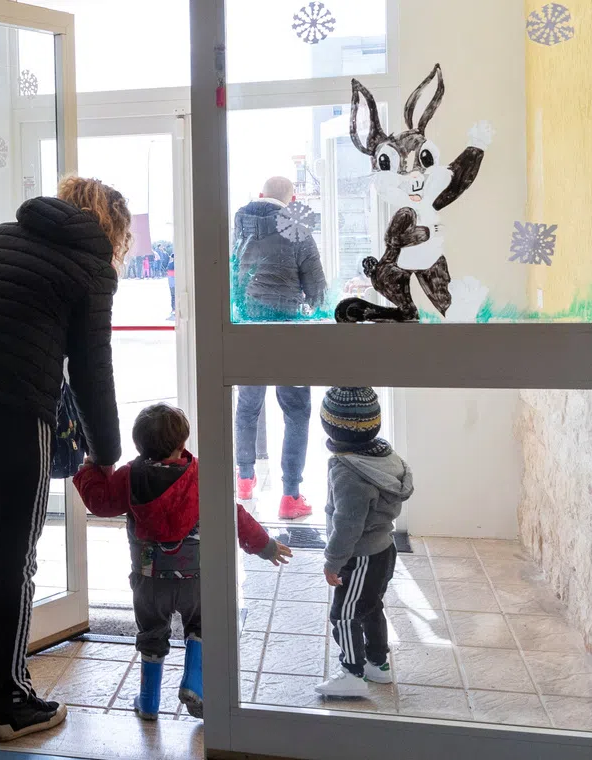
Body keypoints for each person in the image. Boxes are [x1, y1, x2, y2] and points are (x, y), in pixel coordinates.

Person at [0, 176, 128, 742]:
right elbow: (93, 370)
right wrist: (106, 452)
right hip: (15, 416)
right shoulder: (92, 269)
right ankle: (13, 703)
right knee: (15, 556)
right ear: (109, 227)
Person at [74, 404, 292, 720]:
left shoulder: (131, 475)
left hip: (149, 579)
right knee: (202, 625)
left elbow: (101, 503)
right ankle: (193, 682)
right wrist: (265, 546)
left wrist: (89, 471)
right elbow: (234, 515)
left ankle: (148, 702)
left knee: (151, 634)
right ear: (182, 444)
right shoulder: (199, 474)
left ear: (139, 446)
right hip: (195, 577)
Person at [233, 176, 327, 519]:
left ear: (260, 195)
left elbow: (233, 274)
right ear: (293, 198)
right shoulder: (296, 224)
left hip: (245, 329)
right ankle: (290, 496)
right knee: (296, 412)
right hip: (288, 333)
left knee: (247, 406)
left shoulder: (240, 223)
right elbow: (317, 288)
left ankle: (244, 479)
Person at [314, 387, 414, 698]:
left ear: (330, 426)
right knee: (370, 607)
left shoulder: (349, 474)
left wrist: (333, 560)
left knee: (343, 614)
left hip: (359, 558)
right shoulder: (385, 457)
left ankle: (352, 672)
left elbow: (347, 525)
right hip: (384, 549)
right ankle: (377, 665)